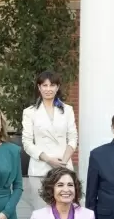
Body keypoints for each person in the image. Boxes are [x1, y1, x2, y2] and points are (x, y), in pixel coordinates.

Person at [21, 71, 78, 209]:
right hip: (40, 168)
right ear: (39, 87)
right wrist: (48, 159)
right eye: (44, 85)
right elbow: (27, 142)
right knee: (41, 212)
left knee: (65, 209)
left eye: (52, 85)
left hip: (64, 167)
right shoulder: (30, 112)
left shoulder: (67, 110)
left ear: (57, 87)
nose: (48, 89)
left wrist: (63, 162)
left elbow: (73, 138)